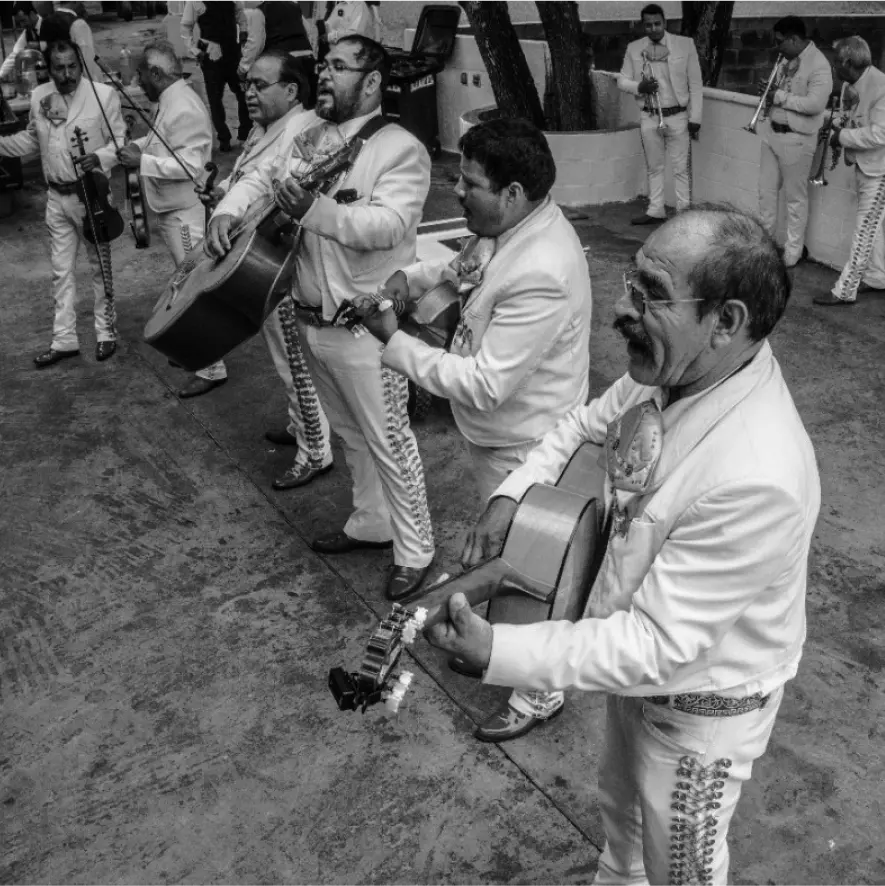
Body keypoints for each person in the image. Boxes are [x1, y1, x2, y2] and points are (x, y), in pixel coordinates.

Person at [425, 207, 821, 886]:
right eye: (629, 283)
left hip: (699, 711)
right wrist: (509, 496)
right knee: (621, 816)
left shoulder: (757, 474)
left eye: (649, 296)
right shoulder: (672, 367)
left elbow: (656, 646)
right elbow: (580, 428)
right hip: (629, 674)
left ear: (725, 322)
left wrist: (500, 651)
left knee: (682, 865)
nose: (619, 308)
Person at [351, 117, 593, 742]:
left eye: (470, 183)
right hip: (500, 438)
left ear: (514, 192)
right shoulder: (510, 225)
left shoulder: (542, 268)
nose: (456, 191)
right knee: (505, 552)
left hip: (529, 446)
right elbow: (464, 263)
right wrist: (416, 276)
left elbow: (486, 383)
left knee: (533, 572)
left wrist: (394, 342)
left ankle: (540, 691)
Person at [206, 35, 435, 601]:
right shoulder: (308, 137)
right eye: (325, 65)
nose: (325, 75)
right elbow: (259, 181)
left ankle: (416, 550)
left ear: (374, 80)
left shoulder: (400, 148)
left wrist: (314, 209)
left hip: (367, 332)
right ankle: (370, 523)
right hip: (312, 318)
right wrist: (228, 210)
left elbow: (386, 226)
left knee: (390, 442)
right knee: (353, 437)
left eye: (339, 66)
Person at [198, 50, 333, 476]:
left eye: (260, 85)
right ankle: (300, 425)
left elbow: (277, 184)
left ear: (291, 90)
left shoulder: (304, 129)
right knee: (282, 356)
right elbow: (250, 177)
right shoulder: (265, 128)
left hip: (285, 262)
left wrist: (233, 203)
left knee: (294, 359)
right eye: (247, 85)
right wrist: (223, 196)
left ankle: (316, 450)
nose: (248, 92)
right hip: (260, 254)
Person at [88, 42, 216, 394]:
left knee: (194, 289)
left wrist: (140, 161)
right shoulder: (169, 101)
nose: (137, 82)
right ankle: (197, 350)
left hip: (184, 213)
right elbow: (160, 144)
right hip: (170, 210)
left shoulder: (184, 107)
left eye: (141, 75)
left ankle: (212, 367)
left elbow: (190, 165)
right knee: (185, 282)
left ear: (157, 74)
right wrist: (122, 154)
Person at [0, 39, 125, 367]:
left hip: (91, 196)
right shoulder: (40, 95)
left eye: (72, 66)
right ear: (48, 68)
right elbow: (32, 138)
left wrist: (99, 157)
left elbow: (120, 143)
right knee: (61, 271)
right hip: (55, 196)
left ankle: (106, 332)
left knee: (101, 268)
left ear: (79, 65)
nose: (67, 74)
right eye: (59, 68)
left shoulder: (103, 95)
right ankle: (64, 340)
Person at [756, 17, 832, 269]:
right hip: (772, 134)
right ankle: (764, 245)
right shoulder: (785, 61)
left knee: (795, 199)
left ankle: (792, 252)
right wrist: (768, 93)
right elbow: (778, 94)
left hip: (798, 139)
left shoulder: (819, 64)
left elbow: (815, 105)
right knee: (765, 193)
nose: (777, 47)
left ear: (794, 39)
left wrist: (779, 96)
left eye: (780, 42)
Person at [814, 36, 885, 307]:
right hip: (864, 165)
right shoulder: (849, 85)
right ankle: (877, 276)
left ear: (847, 62)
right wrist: (834, 126)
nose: (833, 67)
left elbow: (881, 134)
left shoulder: (881, 86)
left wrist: (841, 137)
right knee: (872, 228)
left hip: (880, 170)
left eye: (836, 62)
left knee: (864, 231)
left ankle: (844, 290)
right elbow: (849, 117)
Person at [618, 3, 702, 226]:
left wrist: (696, 118)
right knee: (654, 166)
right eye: (648, 25)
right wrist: (639, 87)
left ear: (665, 23)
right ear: (642, 25)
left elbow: (696, 84)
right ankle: (656, 209)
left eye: (657, 24)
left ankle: (684, 212)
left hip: (678, 115)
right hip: (650, 114)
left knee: (681, 168)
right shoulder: (634, 48)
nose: (653, 29)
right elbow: (622, 80)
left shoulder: (685, 45)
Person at [181, 0, 251, 151]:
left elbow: (240, 14)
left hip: (233, 52)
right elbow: (186, 27)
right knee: (215, 99)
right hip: (210, 53)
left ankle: (245, 134)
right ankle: (224, 138)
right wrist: (194, 50)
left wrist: (244, 30)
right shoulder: (195, 2)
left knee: (244, 93)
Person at [316, 0, 381, 62]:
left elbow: (355, 34)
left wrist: (330, 36)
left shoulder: (360, 6)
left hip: (350, 57)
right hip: (334, 54)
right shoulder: (340, 5)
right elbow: (329, 25)